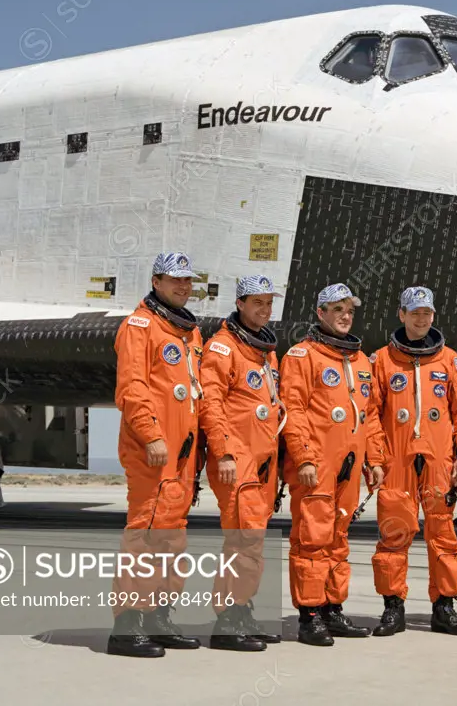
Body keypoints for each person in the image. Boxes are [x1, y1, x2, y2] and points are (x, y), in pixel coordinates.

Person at [108, 252, 205, 658]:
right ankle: (127, 626)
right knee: (146, 535)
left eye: (187, 281)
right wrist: (151, 436)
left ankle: (158, 616)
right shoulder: (140, 327)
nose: (183, 286)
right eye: (174, 280)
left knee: (171, 537)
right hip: (153, 452)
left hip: (181, 455)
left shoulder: (188, 332)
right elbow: (132, 388)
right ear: (156, 281)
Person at [278, 283, 385, 646]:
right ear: (320, 313)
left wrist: (376, 459)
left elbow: (368, 416)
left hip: (350, 466)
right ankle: (309, 616)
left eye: (350, 311)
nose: (345, 316)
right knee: (312, 537)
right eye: (337, 310)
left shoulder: (360, 360)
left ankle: (332, 608)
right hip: (317, 464)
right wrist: (304, 457)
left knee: (338, 538)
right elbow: (293, 411)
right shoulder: (301, 356)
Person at [368, 286, 457, 637]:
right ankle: (392, 608)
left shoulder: (451, 360)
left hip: (439, 458)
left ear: (433, 315)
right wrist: (376, 458)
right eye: (414, 312)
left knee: (443, 534)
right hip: (396, 459)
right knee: (394, 534)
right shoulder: (382, 359)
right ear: (401, 314)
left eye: (426, 312)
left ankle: (444, 607)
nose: (420, 318)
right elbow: (370, 414)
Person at [198, 275, 288, 651]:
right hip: (237, 460)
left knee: (252, 541)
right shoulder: (222, 348)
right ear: (239, 303)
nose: (264, 310)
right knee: (242, 539)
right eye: (257, 303)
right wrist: (223, 453)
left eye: (269, 303)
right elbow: (211, 404)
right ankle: (226, 619)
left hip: (262, 462)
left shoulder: (265, 351)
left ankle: (242, 608)